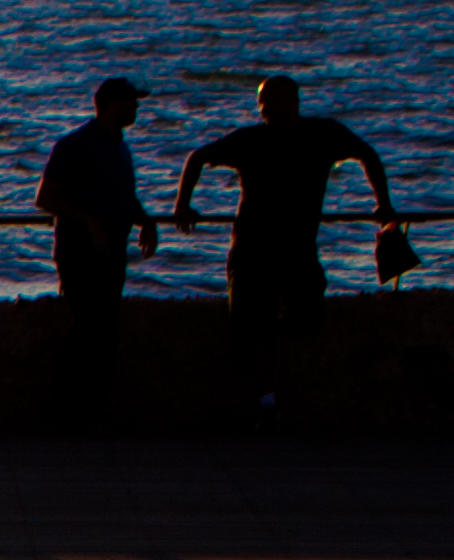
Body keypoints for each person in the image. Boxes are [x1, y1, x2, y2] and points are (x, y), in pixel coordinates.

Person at [173, 74, 405, 410]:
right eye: (261, 102)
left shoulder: (323, 134)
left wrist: (382, 202)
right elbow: (196, 158)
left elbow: (367, 154)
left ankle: (270, 342)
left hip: (297, 248)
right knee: (248, 328)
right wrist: (182, 205)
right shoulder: (250, 139)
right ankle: (265, 401)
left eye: (269, 101)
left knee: (309, 315)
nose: (263, 108)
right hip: (252, 248)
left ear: (292, 102)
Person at [35, 78, 158, 420]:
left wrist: (145, 220)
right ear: (112, 103)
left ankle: (91, 411)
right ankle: (63, 410)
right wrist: (88, 220)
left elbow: (121, 194)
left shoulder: (119, 145)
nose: (137, 108)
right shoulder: (74, 145)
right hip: (78, 254)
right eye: (132, 102)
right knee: (89, 327)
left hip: (112, 253)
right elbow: (46, 197)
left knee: (105, 331)